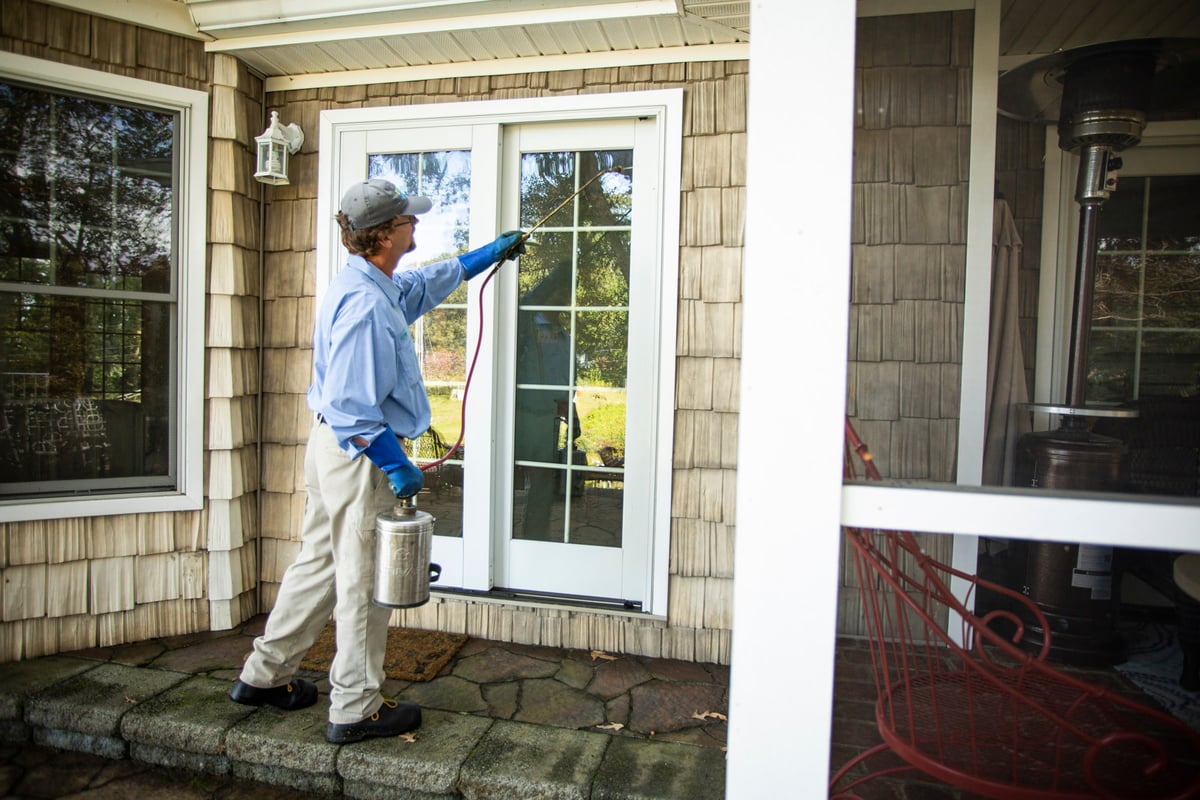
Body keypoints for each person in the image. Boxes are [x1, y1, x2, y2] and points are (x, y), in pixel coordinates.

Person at [229, 178, 524, 744]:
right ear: (386, 233)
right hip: (361, 452)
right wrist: (394, 462)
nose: (416, 225)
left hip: (332, 451)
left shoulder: (369, 282)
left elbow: (417, 288)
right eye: (408, 220)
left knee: (318, 562)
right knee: (364, 582)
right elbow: (351, 406)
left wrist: (482, 257)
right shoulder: (366, 304)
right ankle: (356, 707)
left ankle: (264, 676)